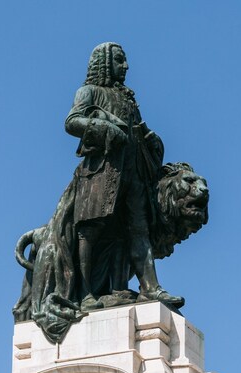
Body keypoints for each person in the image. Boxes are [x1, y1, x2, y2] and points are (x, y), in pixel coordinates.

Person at [64, 42, 183, 311]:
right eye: (119, 60)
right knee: (90, 230)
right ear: (105, 63)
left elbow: (140, 130)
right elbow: (72, 122)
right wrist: (103, 126)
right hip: (101, 171)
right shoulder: (89, 92)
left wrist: (152, 140)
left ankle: (151, 288)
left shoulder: (128, 99)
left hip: (133, 174)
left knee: (138, 230)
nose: (126, 66)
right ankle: (84, 293)